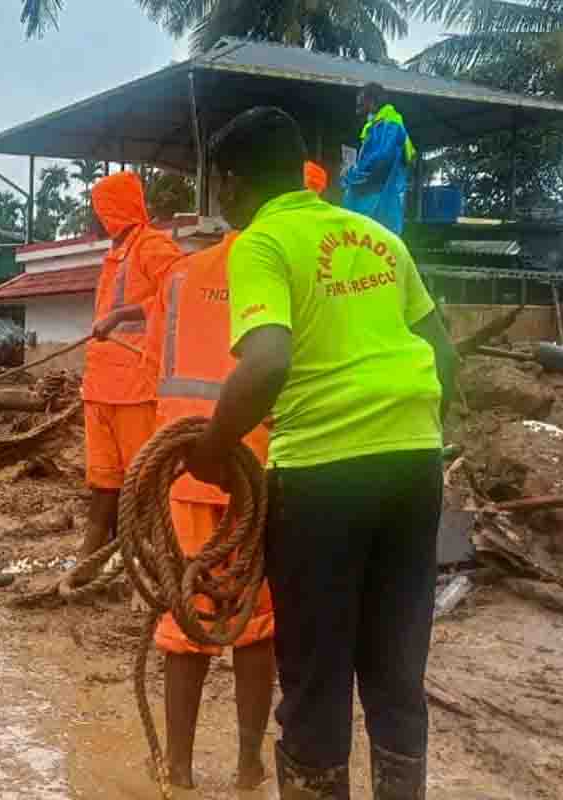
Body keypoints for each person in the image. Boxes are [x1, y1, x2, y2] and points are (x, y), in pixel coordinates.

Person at [185, 107, 455, 799]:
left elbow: (267, 361)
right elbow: (444, 353)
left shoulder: (263, 244)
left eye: (218, 185)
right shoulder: (377, 238)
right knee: (396, 670)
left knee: (316, 674)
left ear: (234, 182)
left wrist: (213, 451)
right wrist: (409, 434)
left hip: (321, 480)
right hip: (413, 467)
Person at [143, 232, 277, 791]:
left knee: (185, 615)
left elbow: (155, 363)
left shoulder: (178, 275)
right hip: (259, 465)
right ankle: (248, 765)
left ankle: (178, 766)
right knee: (255, 617)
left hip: (185, 465)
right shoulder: (282, 265)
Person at [80, 171, 183, 565]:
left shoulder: (153, 247)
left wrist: (125, 313)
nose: (93, 217)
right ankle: (90, 560)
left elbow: (180, 293)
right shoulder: (115, 255)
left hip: (136, 387)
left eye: (98, 209)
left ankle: (147, 562)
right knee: (104, 479)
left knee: (143, 480)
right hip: (102, 386)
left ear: (112, 210)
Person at [341, 82, 417, 234]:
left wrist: (351, 175)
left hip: (379, 205)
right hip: (375, 204)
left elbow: (380, 164)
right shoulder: (376, 126)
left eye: (360, 104)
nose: (358, 110)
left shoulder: (390, 126)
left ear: (371, 101)